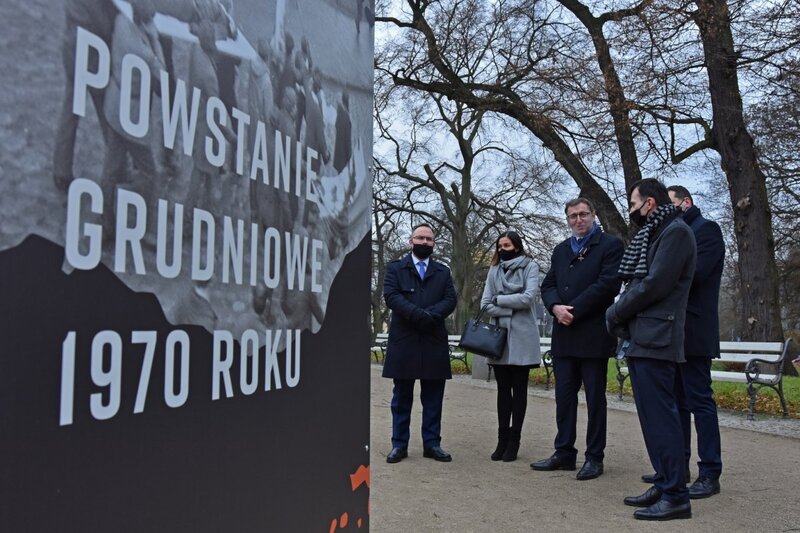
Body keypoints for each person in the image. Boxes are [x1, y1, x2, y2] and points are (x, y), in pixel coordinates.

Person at [606, 178, 697, 521]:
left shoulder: (675, 232)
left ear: (649, 203)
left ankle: (676, 495)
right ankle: (664, 481)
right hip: (645, 335)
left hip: (657, 335)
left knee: (662, 419)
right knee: (651, 418)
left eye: (633, 202)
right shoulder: (657, 233)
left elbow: (655, 284)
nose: (631, 209)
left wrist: (615, 311)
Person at [633, 185, 723, 499]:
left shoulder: (704, 230)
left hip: (694, 329)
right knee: (675, 403)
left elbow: (694, 274)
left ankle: (710, 472)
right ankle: (677, 468)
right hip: (670, 331)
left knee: (699, 401)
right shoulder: (669, 232)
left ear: (686, 202)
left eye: (670, 204)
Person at [532, 198, 623, 479]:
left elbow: (608, 284)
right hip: (564, 334)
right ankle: (564, 452)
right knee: (564, 398)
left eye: (584, 214)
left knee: (595, 400)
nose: (578, 220)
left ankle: (594, 456)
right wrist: (555, 307)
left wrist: (575, 310)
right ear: (567, 219)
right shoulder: (561, 250)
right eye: (573, 216)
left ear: (593, 215)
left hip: (593, 333)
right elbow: (548, 285)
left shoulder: (609, 245)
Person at [382, 224, 457, 464]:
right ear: (410, 241)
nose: (424, 242)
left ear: (434, 243)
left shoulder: (442, 272)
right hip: (405, 339)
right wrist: (417, 315)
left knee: (434, 397)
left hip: (433, 339)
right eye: (420, 238)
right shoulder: (395, 268)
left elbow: (450, 299)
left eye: (429, 239)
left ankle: (432, 444)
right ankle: (399, 445)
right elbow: (391, 296)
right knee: (402, 397)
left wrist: (430, 315)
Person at [479, 231, 541, 462]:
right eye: (499, 245)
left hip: (523, 339)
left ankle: (515, 440)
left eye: (507, 244)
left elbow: (528, 298)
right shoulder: (493, 270)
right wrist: (507, 306)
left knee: (520, 390)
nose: (502, 248)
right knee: (503, 391)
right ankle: (502, 439)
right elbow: (485, 305)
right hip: (499, 339)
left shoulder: (530, 267)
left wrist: (500, 300)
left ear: (517, 245)